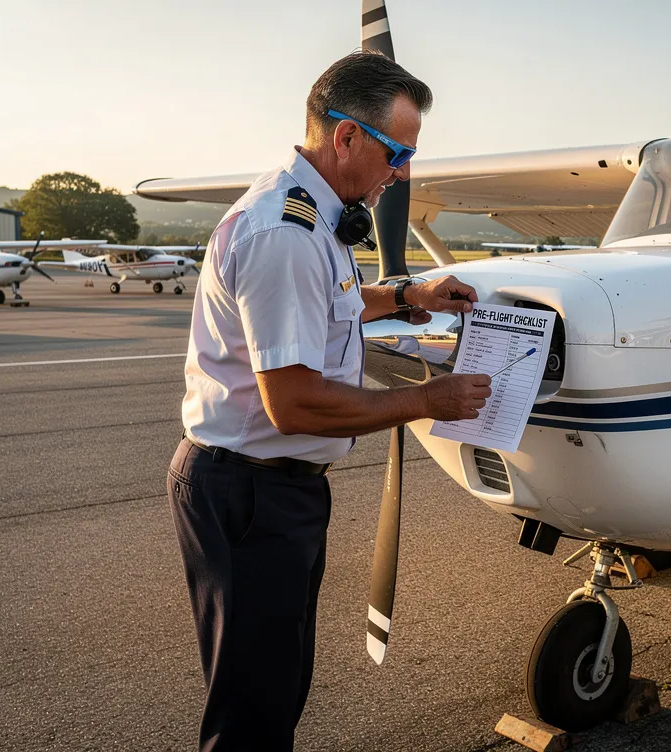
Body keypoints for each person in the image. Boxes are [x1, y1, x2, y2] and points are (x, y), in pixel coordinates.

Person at [166, 51, 492, 751]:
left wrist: (408, 295)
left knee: (274, 690)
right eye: (397, 153)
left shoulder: (310, 210)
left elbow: (330, 301)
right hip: (252, 493)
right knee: (254, 714)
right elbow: (295, 405)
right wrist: (428, 399)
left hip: (268, 488)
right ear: (346, 136)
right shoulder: (285, 233)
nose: (400, 172)